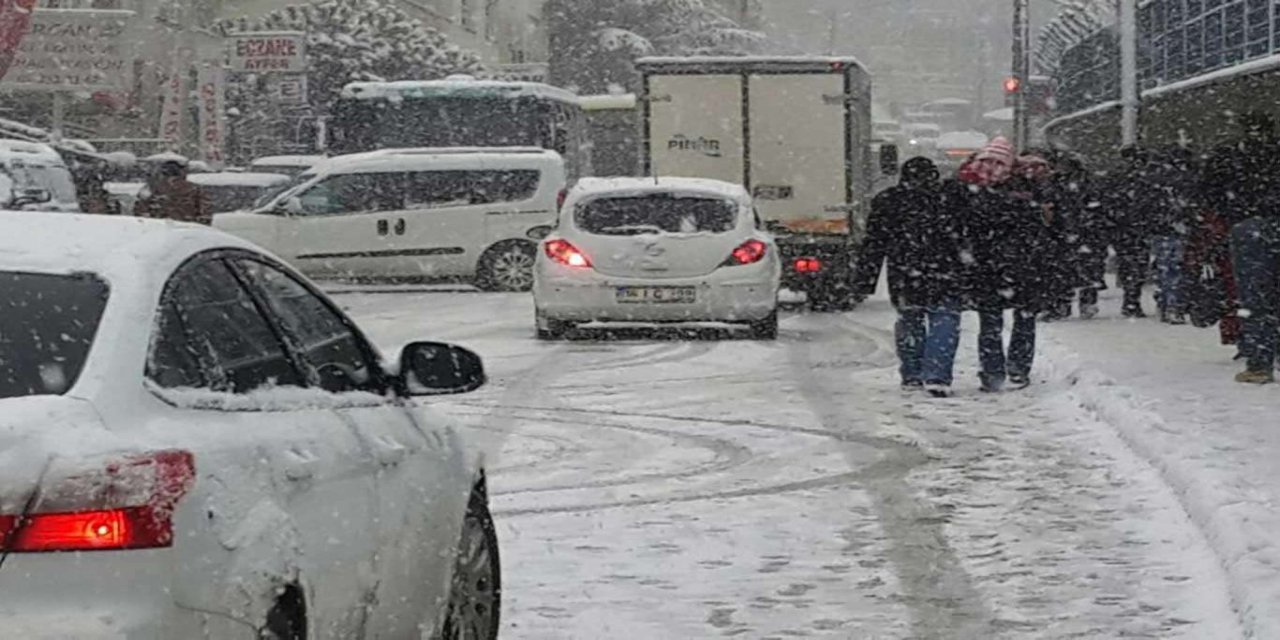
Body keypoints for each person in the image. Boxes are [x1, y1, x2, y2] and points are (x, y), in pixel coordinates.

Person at [855, 157, 968, 397]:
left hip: (905, 273)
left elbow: (874, 244)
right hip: (945, 272)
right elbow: (966, 236)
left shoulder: (888, 201)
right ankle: (937, 375)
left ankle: (913, 373)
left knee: (910, 320)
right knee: (944, 320)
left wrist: (865, 279)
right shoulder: (950, 200)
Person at [956, 140, 1053, 392]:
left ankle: (992, 372)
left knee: (990, 324)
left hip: (987, 267)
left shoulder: (970, 189)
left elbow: (963, 229)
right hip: (1022, 265)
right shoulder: (1028, 189)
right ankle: (1018, 369)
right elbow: (1045, 226)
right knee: (1023, 320)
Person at [134, 156, 211, 225]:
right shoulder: (194, 188)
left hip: (159, 226)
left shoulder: (152, 188)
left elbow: (140, 210)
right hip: (188, 227)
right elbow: (205, 211)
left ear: (163, 173)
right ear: (181, 173)